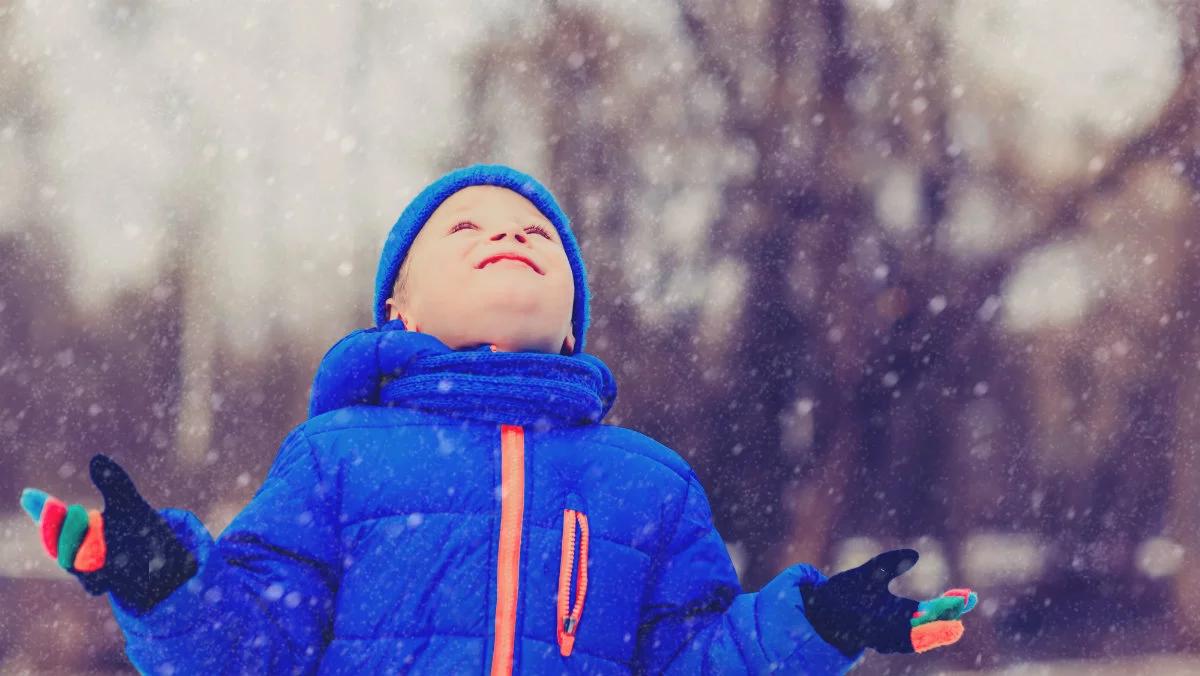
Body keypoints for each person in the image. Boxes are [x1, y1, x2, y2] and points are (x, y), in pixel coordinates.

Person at [19, 163, 976, 674]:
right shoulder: (335, 457)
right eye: (467, 230)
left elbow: (694, 665)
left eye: (535, 236)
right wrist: (168, 587)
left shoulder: (648, 481)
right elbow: (249, 656)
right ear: (400, 306)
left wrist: (810, 625)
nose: (510, 237)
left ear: (571, 323)